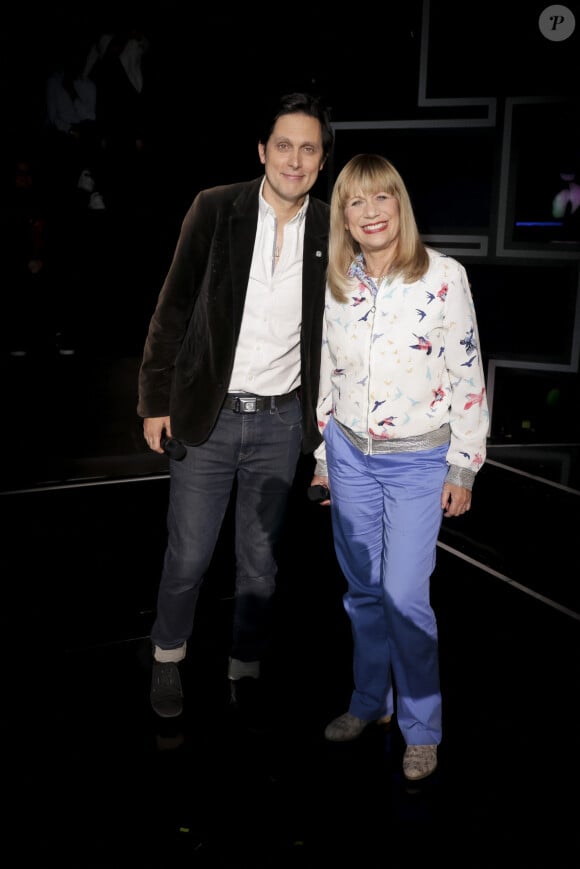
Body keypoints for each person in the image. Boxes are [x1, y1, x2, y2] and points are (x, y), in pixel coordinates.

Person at [137, 92, 335, 725]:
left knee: (260, 564)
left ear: (322, 160)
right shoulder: (216, 207)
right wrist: (153, 401)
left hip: (281, 422)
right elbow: (171, 310)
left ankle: (243, 668)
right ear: (262, 151)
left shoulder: (334, 228)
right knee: (189, 555)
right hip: (207, 415)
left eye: (308, 148)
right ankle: (168, 657)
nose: (295, 159)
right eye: (284, 145)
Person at [310, 154, 488, 781]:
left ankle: (420, 725)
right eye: (355, 203)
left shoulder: (444, 277)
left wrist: (463, 465)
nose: (370, 212)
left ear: (399, 204)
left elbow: (468, 376)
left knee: (406, 597)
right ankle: (369, 703)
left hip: (418, 463)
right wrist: (324, 462)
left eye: (381, 197)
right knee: (361, 593)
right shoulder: (338, 280)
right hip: (349, 456)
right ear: (345, 217)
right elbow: (332, 377)